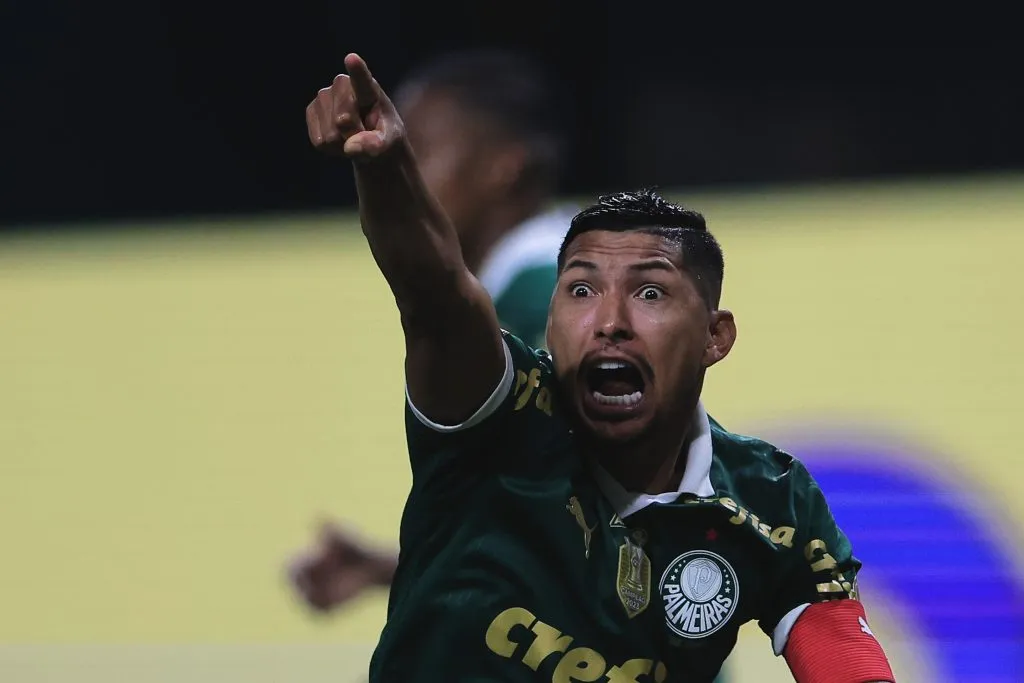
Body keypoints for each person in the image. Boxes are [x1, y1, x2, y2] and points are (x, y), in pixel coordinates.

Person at [303, 53, 897, 683]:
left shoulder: (768, 503)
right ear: (552, 323)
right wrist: (386, 168)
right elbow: (433, 294)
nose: (608, 321)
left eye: (649, 294)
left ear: (714, 337)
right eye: (581, 292)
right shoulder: (501, 406)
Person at [289, 49, 575, 611]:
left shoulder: (549, 297)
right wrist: (394, 570)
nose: (407, 168)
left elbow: (598, 528)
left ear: (503, 167)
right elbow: (546, 543)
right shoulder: (537, 288)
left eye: (417, 149)